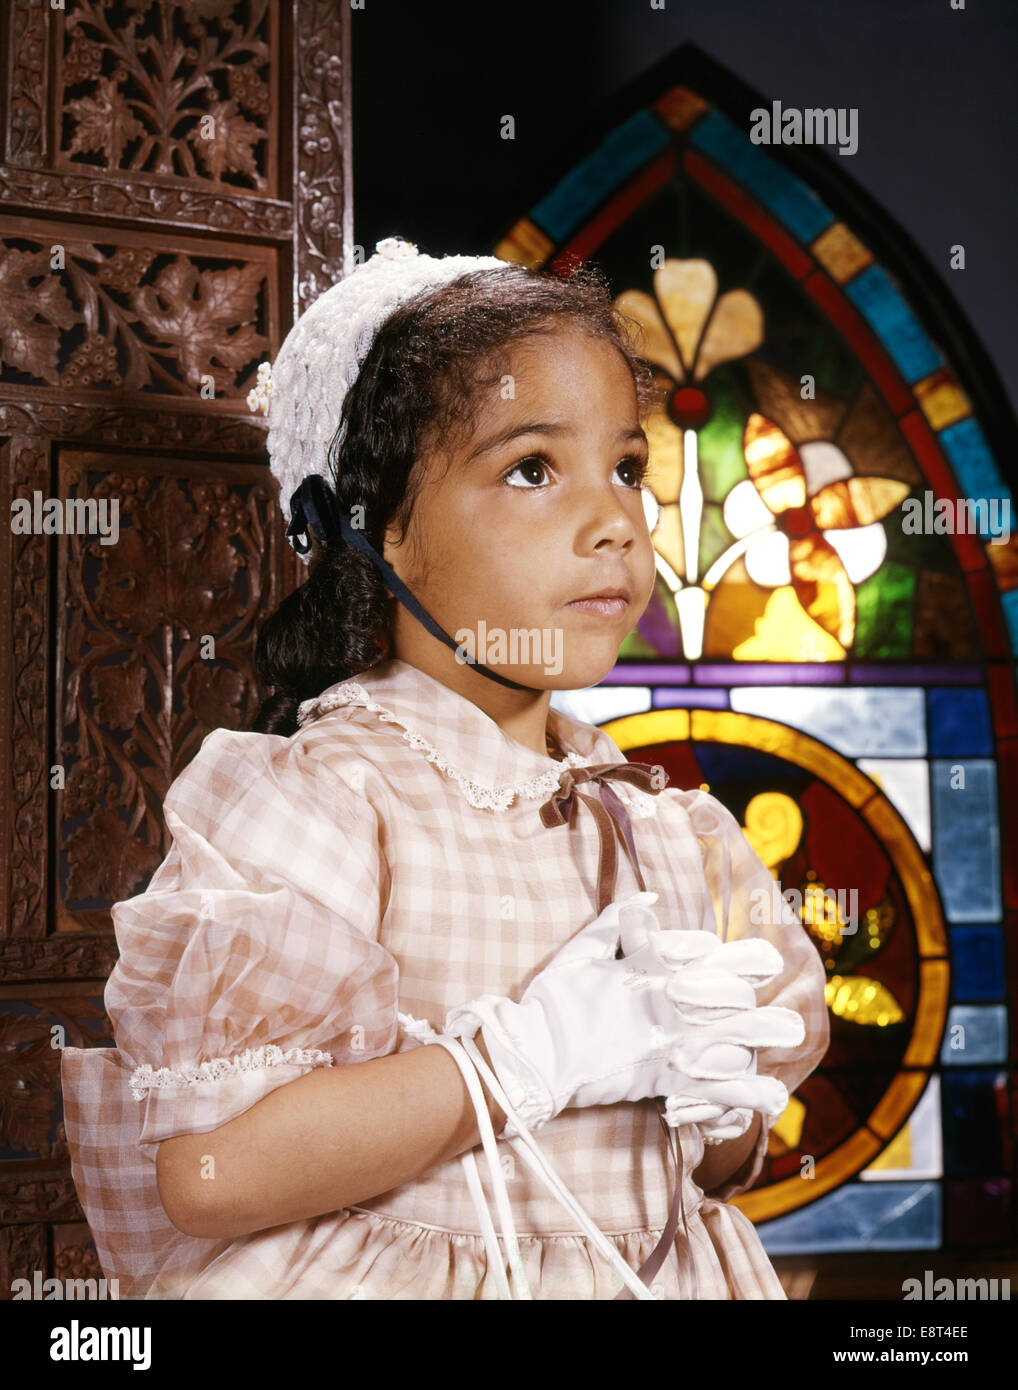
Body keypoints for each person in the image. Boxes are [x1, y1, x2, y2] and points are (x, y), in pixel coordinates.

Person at [61, 237, 829, 1300]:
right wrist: (519, 1060)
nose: (612, 523)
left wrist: (716, 1104)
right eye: (530, 468)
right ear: (376, 530)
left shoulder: (668, 828)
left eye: (625, 467)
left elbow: (706, 1174)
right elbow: (211, 1173)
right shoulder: (333, 797)